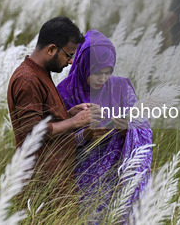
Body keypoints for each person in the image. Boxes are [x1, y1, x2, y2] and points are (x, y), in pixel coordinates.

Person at [57, 30, 153, 220]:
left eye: (108, 72)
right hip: (82, 179)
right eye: (96, 73)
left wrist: (128, 125)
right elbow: (56, 141)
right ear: (83, 65)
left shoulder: (121, 87)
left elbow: (142, 124)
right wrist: (85, 135)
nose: (103, 78)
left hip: (118, 172)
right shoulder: (64, 93)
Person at [7, 16, 92, 197]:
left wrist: (69, 114)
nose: (70, 62)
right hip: (41, 187)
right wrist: (74, 122)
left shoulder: (40, 73)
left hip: (55, 183)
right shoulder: (27, 79)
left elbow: (43, 118)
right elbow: (33, 131)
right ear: (52, 49)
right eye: (69, 55)